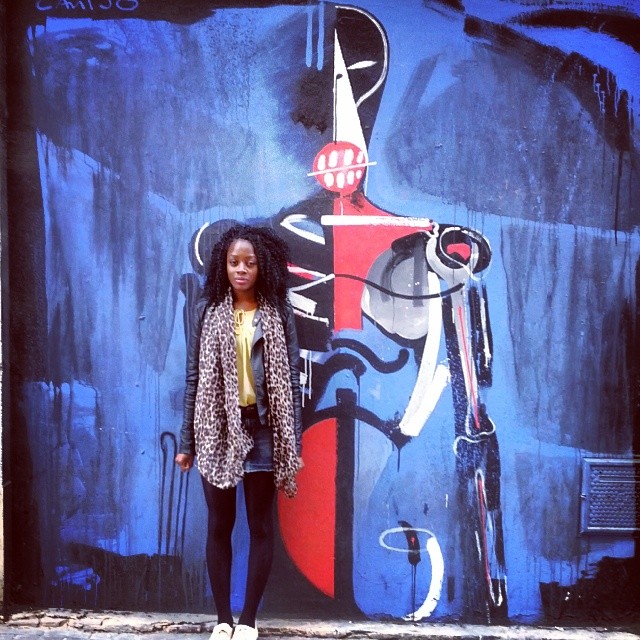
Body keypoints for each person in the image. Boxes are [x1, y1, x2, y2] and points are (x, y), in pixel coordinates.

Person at [175, 224, 303, 640]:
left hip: (264, 431)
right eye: (234, 262)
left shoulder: (278, 311)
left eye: (250, 263)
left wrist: (292, 441)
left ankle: (247, 620)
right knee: (219, 524)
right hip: (216, 430)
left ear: (262, 267)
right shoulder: (207, 312)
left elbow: (291, 378)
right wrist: (187, 442)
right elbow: (194, 377)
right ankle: (222, 620)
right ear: (223, 266)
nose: (241, 270)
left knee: (261, 525)